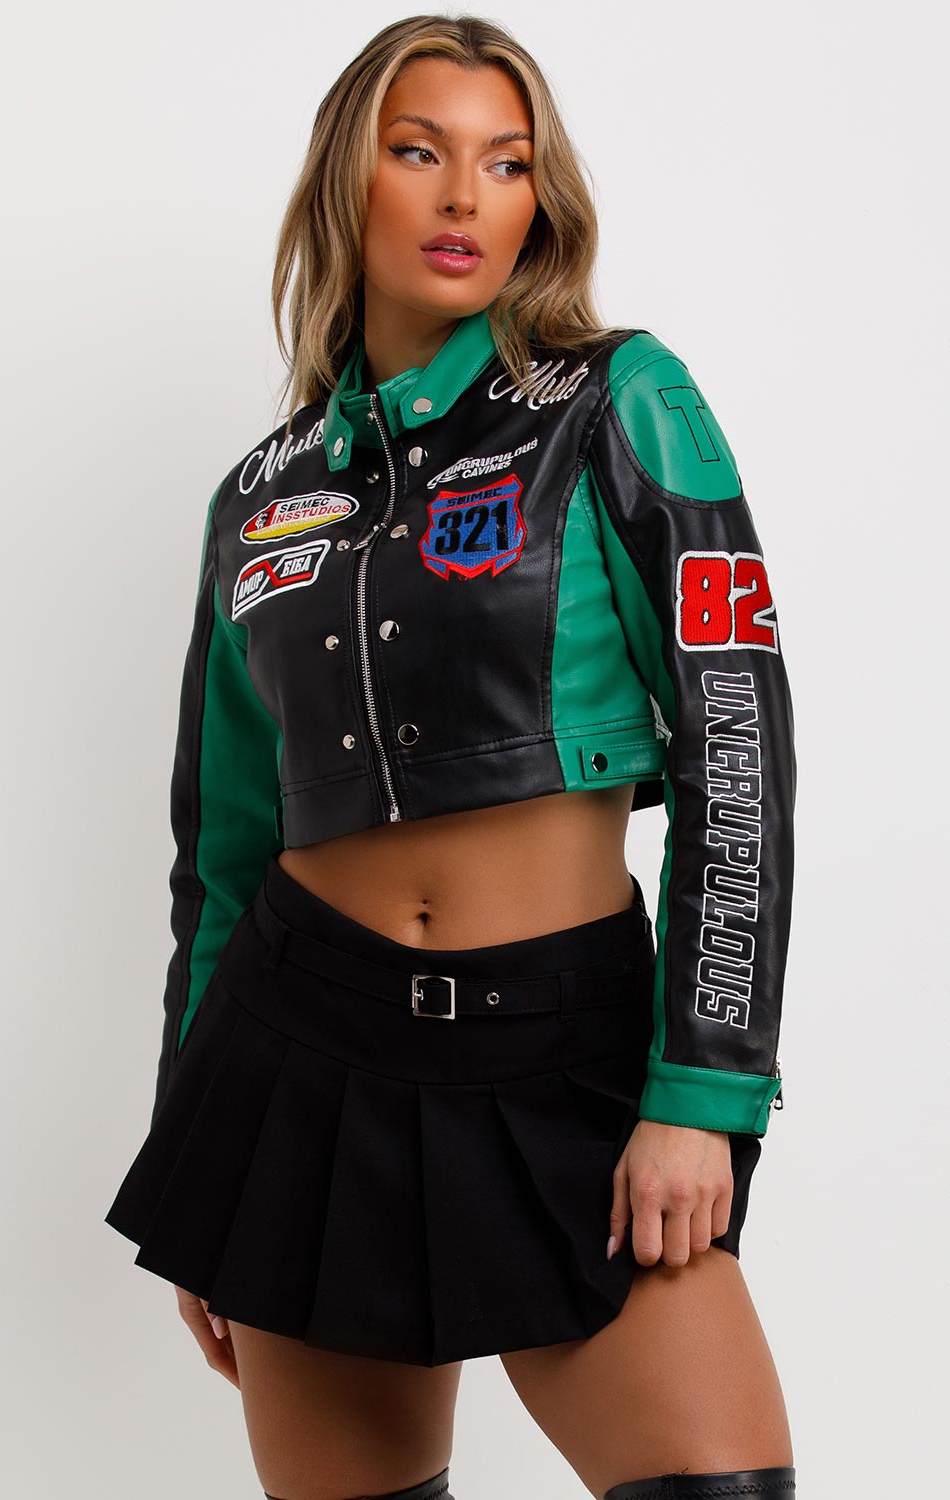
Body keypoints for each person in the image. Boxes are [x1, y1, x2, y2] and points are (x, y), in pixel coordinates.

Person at [105, 14, 798, 1500]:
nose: (466, 195)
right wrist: (200, 1160)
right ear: (347, 180)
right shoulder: (257, 499)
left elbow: (740, 746)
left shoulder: (618, 401)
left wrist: (704, 1090)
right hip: (299, 1066)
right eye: (420, 152)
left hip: (569, 1050)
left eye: (508, 161)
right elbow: (221, 859)